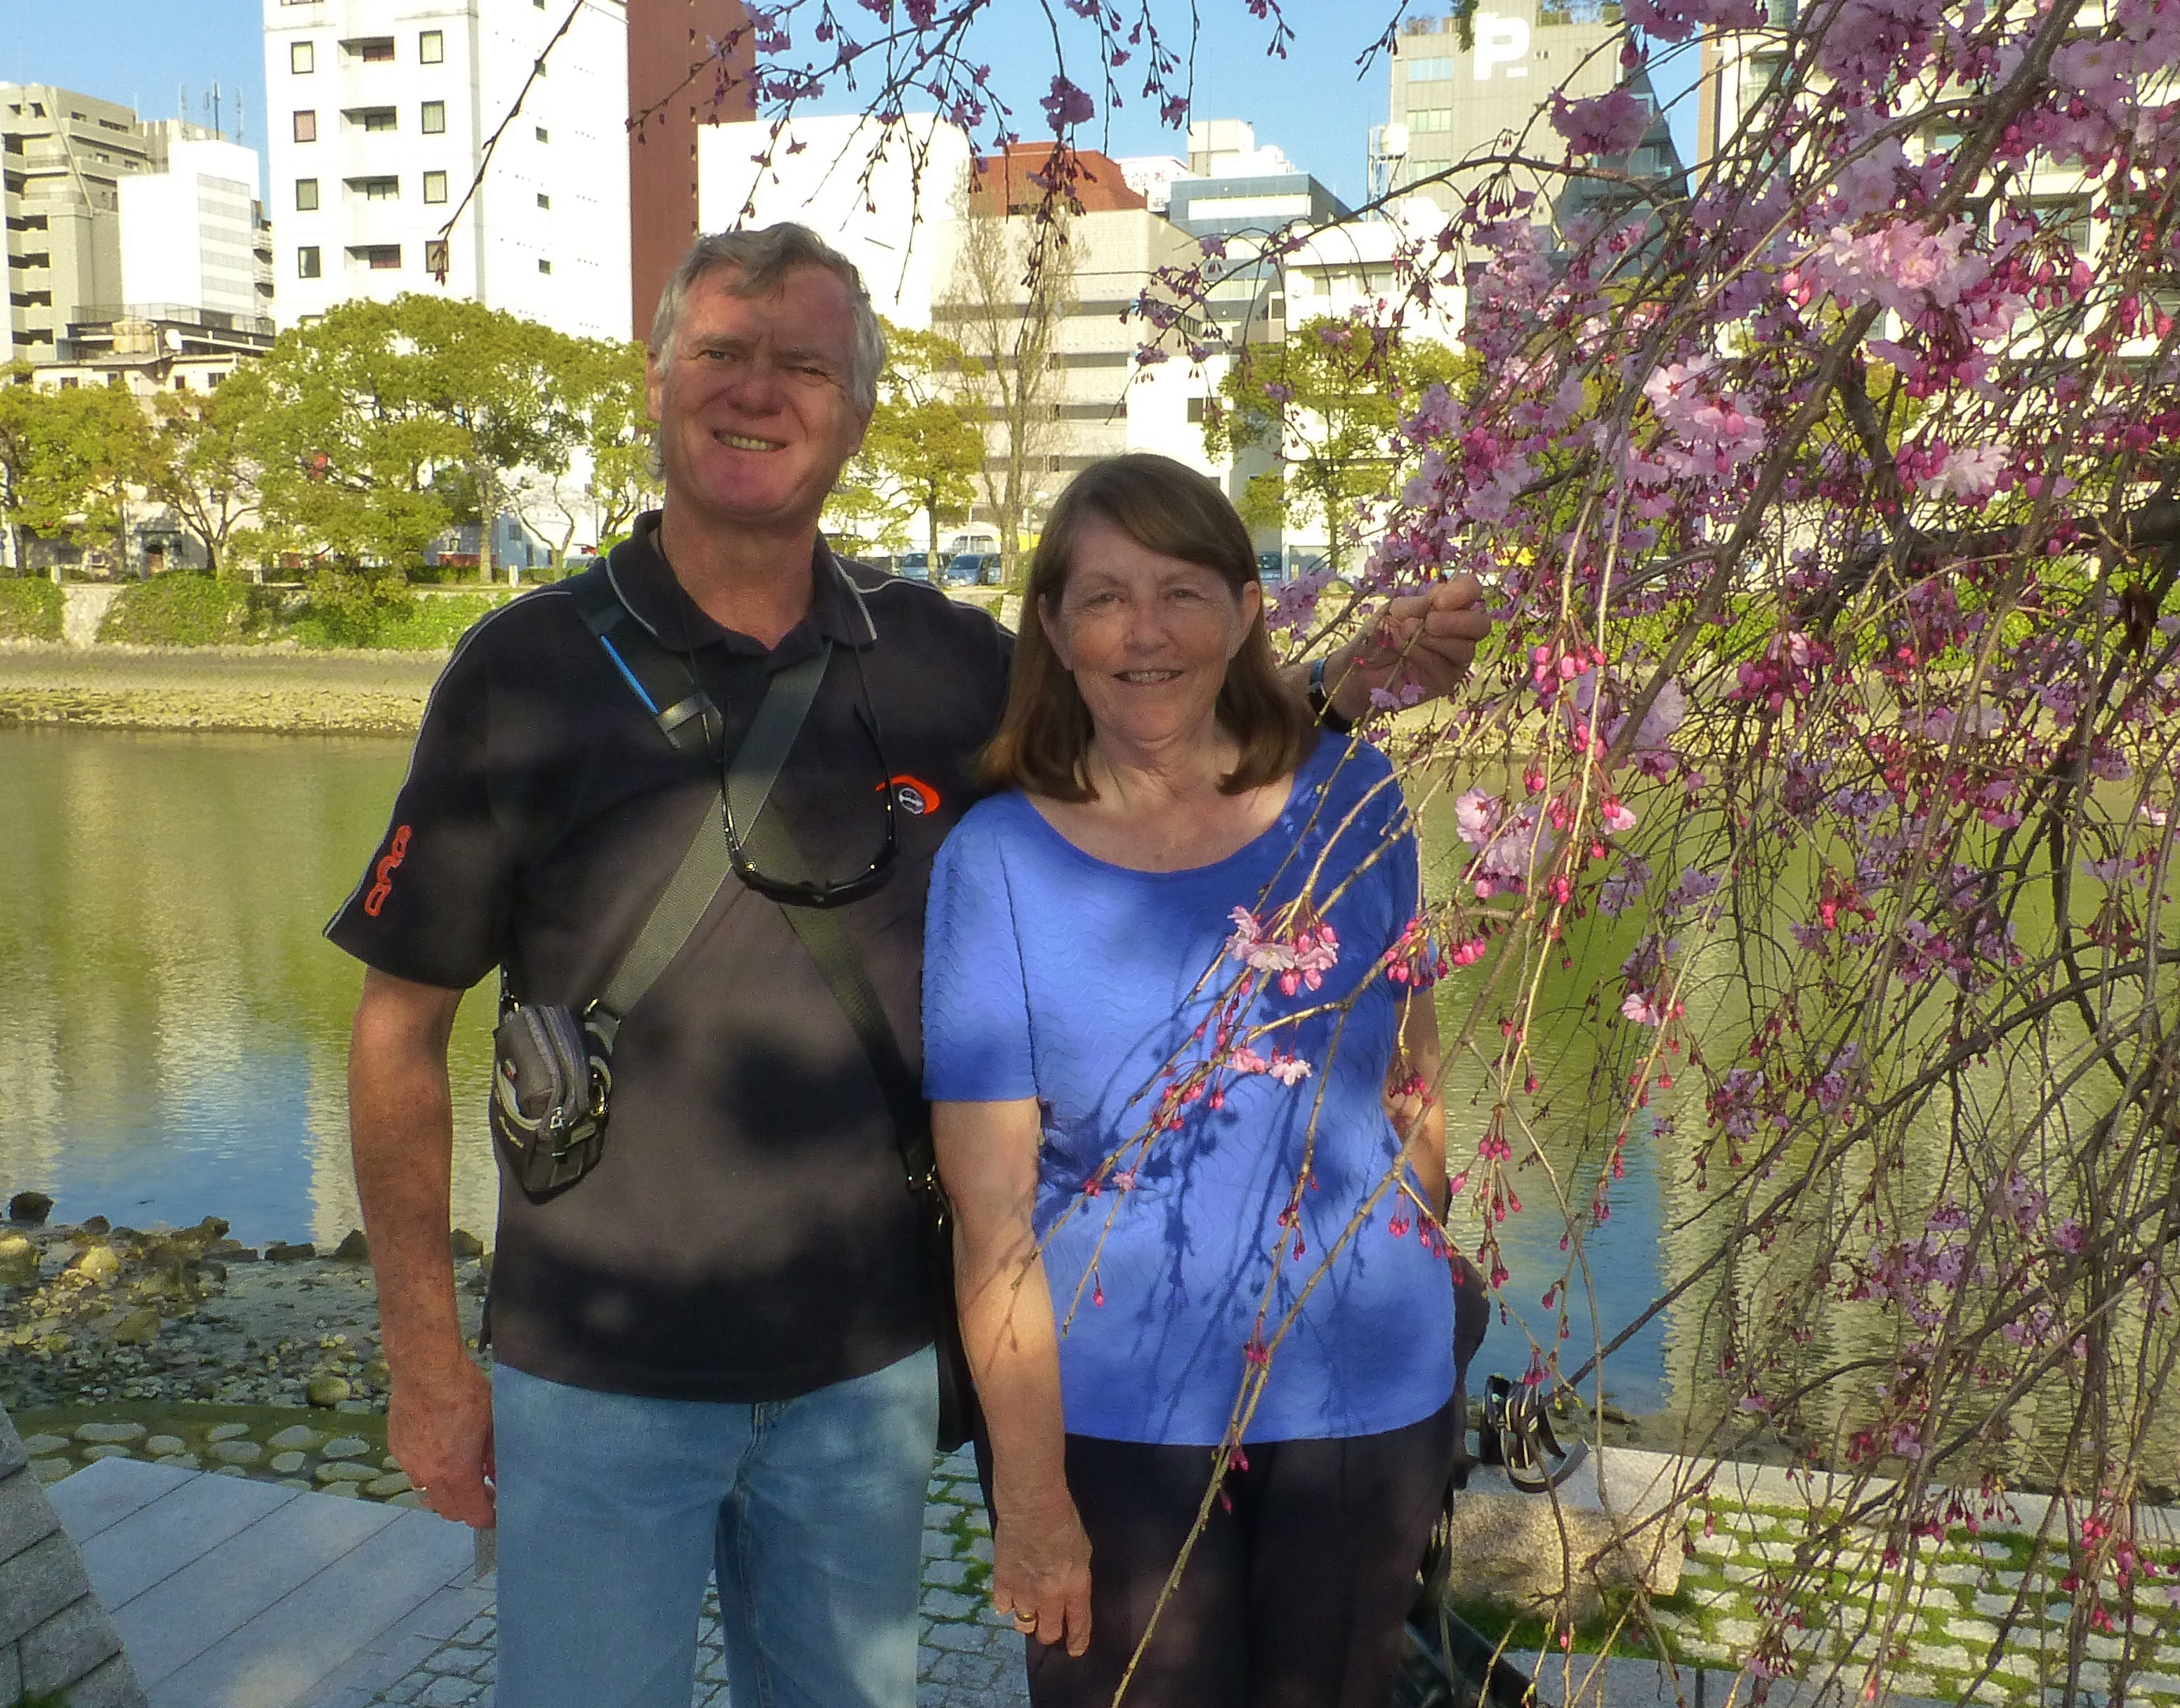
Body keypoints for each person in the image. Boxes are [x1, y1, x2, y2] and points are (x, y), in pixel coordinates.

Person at [330, 225, 1484, 1708]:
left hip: (865, 1370)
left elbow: (1151, 719)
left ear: (857, 410)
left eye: (804, 363)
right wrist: (425, 1358)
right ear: (659, 380)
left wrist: (1352, 679)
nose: (760, 392)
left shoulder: (937, 659)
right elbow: (397, 1029)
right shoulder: (525, 669)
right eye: (724, 354)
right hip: (598, 1361)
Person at [921, 453, 1457, 1708]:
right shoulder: (996, 862)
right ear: (1053, 628)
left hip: (1363, 1397)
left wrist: (1429, 1266)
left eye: (1181, 591)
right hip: (1118, 1422)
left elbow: (1414, 1084)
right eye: (1103, 597)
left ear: (1247, 609)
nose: (1145, 632)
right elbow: (992, 1220)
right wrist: (1032, 1494)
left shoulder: (1356, 798)